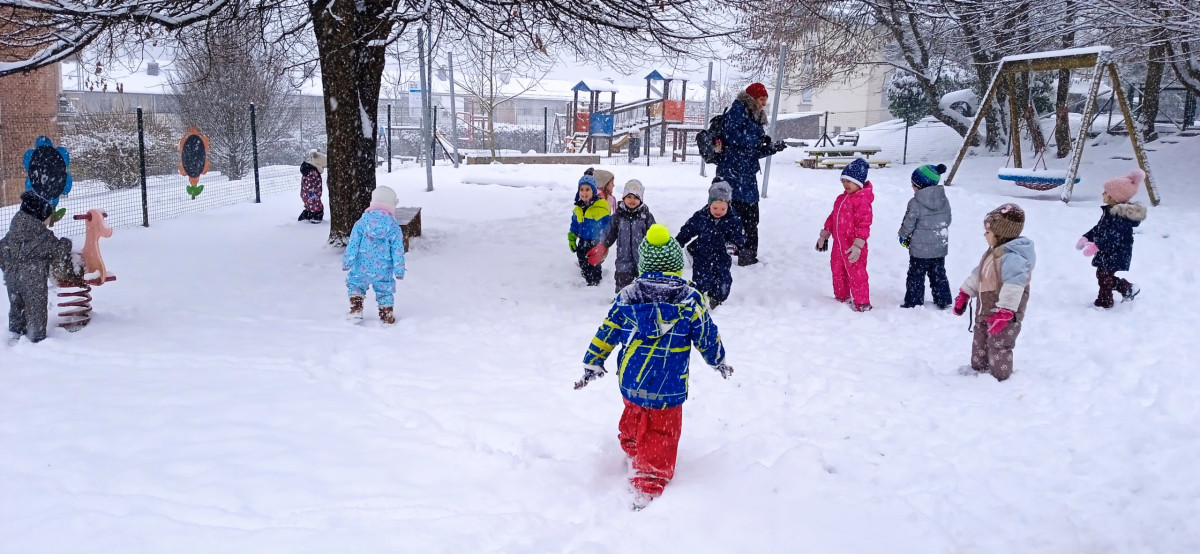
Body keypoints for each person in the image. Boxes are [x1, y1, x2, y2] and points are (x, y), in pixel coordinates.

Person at [575, 224, 733, 509]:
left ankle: (634, 447)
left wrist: (593, 361)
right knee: (662, 430)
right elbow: (707, 335)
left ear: (644, 265)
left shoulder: (627, 297)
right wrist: (718, 359)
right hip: (668, 383)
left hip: (633, 379)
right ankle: (649, 478)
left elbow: (606, 332)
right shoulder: (690, 300)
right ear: (675, 265)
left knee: (635, 412)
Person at [953, 204, 1036, 382]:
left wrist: (1005, 311)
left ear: (1001, 235)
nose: (985, 235)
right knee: (980, 341)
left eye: (988, 232)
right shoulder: (993, 253)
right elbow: (979, 275)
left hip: (1003, 314)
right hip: (985, 310)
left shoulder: (1014, 258)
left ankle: (1000, 380)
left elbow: (1014, 285)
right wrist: (965, 293)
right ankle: (977, 373)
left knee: (999, 345)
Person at [715, 82, 786, 266]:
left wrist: (770, 148)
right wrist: (758, 140)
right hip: (733, 174)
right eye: (762, 99)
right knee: (731, 216)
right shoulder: (738, 110)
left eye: (765, 100)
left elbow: (750, 151)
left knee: (751, 218)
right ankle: (710, 250)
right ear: (753, 98)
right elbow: (733, 137)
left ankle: (748, 255)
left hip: (746, 175)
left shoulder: (755, 117)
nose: (764, 103)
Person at [0, 191, 74, 343]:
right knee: (36, 310)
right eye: (47, 217)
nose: (48, 220)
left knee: (16, 305)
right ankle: (36, 338)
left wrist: (7, 268)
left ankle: (15, 332)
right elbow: (59, 249)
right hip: (33, 281)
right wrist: (67, 243)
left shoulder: (12, 233)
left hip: (12, 277)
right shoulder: (42, 236)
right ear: (38, 217)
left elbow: (2, 250)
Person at [1078, 169, 1147, 308]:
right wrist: (1086, 237)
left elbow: (1112, 237)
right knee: (1104, 276)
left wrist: (1096, 246)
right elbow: (1099, 228)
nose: (1103, 193)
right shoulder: (1110, 211)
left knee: (1104, 276)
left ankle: (1105, 302)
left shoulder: (1120, 216)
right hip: (1108, 251)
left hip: (1115, 252)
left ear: (1115, 197)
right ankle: (1127, 288)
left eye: (1106, 192)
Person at [675, 180, 746, 309]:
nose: (718, 211)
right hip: (702, 256)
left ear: (728, 205)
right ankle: (698, 298)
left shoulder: (733, 220)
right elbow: (688, 229)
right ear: (709, 204)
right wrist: (678, 241)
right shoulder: (701, 216)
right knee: (701, 280)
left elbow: (739, 237)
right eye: (715, 208)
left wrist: (736, 245)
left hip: (722, 258)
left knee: (723, 281)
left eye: (722, 208)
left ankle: (717, 299)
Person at [816, 158, 874, 312]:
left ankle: (862, 302)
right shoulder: (841, 199)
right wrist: (824, 235)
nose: (846, 184)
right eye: (843, 181)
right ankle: (841, 297)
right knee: (837, 270)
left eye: (850, 181)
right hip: (838, 245)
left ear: (859, 182)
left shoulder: (862, 201)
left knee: (857, 273)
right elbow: (833, 216)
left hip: (853, 246)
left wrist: (858, 244)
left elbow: (864, 224)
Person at [343, 186, 406, 324]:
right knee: (384, 291)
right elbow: (398, 251)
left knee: (356, 285)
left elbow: (353, 244)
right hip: (383, 270)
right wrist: (399, 270)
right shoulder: (394, 227)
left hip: (361, 267)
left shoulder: (361, 223)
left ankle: (356, 310)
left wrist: (347, 261)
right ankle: (386, 315)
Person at [898, 163, 953, 309]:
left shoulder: (915, 202)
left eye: (914, 185)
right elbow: (947, 220)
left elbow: (909, 223)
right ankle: (943, 299)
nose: (912, 187)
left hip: (919, 251)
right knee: (938, 274)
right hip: (939, 248)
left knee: (916, 275)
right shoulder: (944, 200)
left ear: (920, 186)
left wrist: (903, 235)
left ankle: (914, 301)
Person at [591, 179, 656, 292]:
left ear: (641, 199)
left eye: (636, 197)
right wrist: (603, 245)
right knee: (622, 281)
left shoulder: (646, 216)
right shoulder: (618, 216)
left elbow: (654, 235)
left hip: (643, 259)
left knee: (645, 282)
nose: (632, 200)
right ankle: (620, 298)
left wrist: (656, 249)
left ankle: (643, 300)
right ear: (624, 197)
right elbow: (609, 233)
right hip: (623, 259)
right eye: (629, 196)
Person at [568, 172, 611, 286]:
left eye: (588, 189)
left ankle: (595, 282)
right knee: (582, 258)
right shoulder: (578, 207)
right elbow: (575, 223)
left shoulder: (600, 207)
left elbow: (608, 227)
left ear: (593, 191)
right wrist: (572, 236)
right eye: (581, 189)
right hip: (583, 240)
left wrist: (604, 245)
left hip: (595, 241)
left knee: (594, 263)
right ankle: (585, 274)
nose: (584, 193)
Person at [298, 151, 327, 223]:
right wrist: (313, 195)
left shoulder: (308, 170)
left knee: (310, 206)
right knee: (317, 207)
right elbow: (311, 185)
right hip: (312, 195)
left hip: (306, 195)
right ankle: (316, 218)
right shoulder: (313, 172)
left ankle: (306, 216)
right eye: (324, 166)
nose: (324, 167)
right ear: (319, 164)